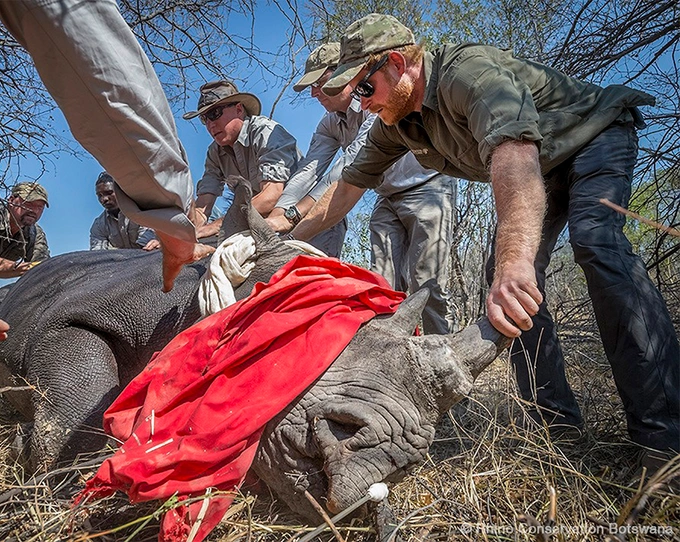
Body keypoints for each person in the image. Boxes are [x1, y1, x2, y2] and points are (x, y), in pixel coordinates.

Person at [293, 13, 679, 456]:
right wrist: (287, 242)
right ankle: (558, 430)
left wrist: (516, 264)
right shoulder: (397, 122)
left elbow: (514, 156)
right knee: (506, 278)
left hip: (594, 136)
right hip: (545, 167)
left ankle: (663, 438)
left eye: (364, 88)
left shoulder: (467, 73)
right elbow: (344, 191)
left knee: (595, 243)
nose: (360, 103)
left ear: (398, 64)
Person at [0, 0, 212, 349]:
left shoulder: (33, 234)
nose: (33, 212)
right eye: (28, 205)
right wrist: (173, 220)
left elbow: (41, 269)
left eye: (40, 208)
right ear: (12, 201)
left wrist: (40, 274)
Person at [267, 42, 456, 333]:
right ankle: (393, 364)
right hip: (387, 198)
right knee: (382, 288)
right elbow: (309, 170)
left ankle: (443, 360)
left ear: (341, 74)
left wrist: (293, 218)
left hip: (427, 186)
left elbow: (347, 171)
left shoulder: (373, 102)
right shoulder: (328, 124)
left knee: (426, 284)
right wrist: (278, 213)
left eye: (318, 83)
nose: (313, 93)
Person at [184, 80, 301, 239]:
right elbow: (203, 206)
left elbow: (271, 196)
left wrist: (218, 225)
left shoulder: (265, 132)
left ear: (239, 109)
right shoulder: (215, 152)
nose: (210, 125)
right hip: (265, 225)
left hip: (307, 219)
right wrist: (182, 235)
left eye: (214, 114)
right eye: (205, 119)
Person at [90, 172, 160, 251]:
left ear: (122, 191)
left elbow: (146, 248)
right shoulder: (99, 225)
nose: (104, 199)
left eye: (109, 193)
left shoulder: (142, 212)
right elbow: (97, 255)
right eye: (100, 195)